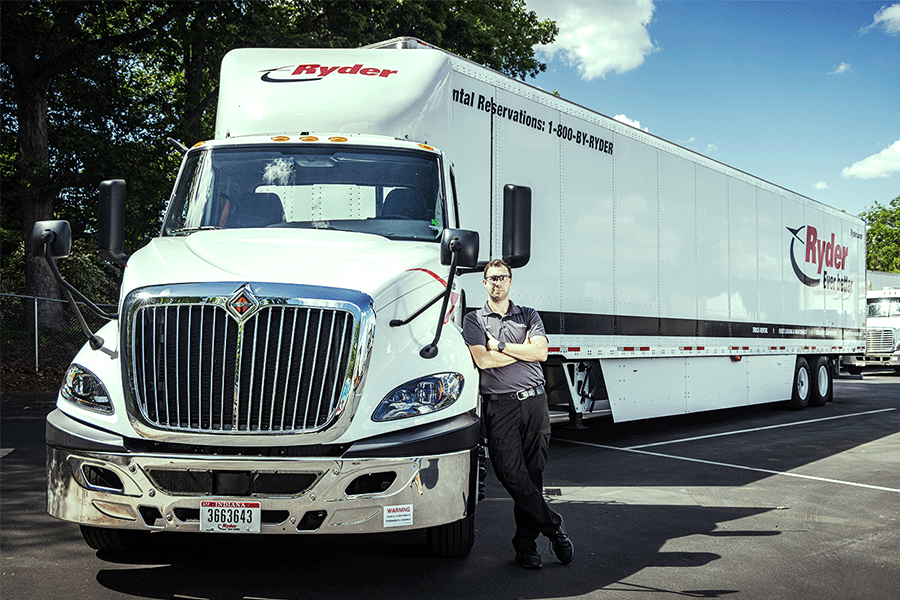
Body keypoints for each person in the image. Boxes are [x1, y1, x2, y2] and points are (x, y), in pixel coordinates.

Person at [462, 259, 574, 569]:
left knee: (533, 475)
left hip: (535, 403)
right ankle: (554, 527)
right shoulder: (474, 320)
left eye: (502, 277)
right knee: (511, 473)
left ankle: (526, 548)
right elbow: (483, 361)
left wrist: (499, 345)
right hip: (501, 406)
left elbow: (539, 353)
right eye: (491, 278)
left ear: (511, 282)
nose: (497, 282)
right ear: (484, 283)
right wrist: (517, 349)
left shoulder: (529, 315)